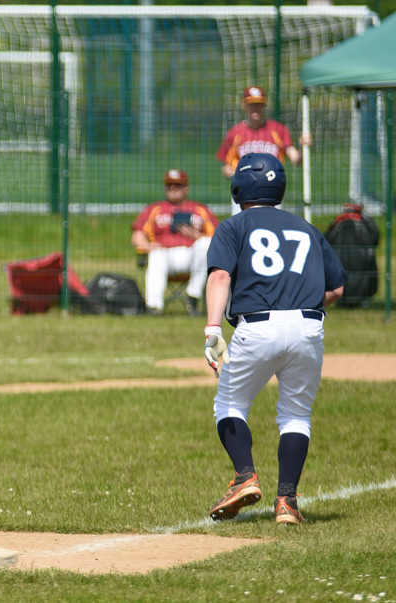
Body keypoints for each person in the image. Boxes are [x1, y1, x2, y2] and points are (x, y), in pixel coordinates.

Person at [204, 153, 345, 525]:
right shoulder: (306, 227)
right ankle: (287, 502)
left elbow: (220, 277)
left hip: (257, 325)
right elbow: (337, 289)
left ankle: (245, 475)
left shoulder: (234, 226)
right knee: (296, 414)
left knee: (230, 404)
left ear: (239, 187)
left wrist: (213, 329)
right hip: (309, 325)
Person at [131, 169, 218, 317]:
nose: (172, 188)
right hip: (164, 256)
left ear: (186, 188)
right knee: (156, 254)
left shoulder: (200, 209)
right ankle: (154, 307)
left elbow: (218, 238)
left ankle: (193, 295)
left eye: (177, 185)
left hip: (192, 256)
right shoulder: (154, 209)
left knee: (205, 242)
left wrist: (196, 235)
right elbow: (137, 236)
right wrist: (148, 246)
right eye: (169, 185)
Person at [216, 85, 312, 215]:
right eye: (251, 104)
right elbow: (226, 168)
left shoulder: (278, 129)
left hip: (271, 189)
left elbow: (296, 159)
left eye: (259, 104)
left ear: (264, 105)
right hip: (245, 192)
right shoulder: (235, 132)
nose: (255, 108)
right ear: (244, 105)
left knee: (272, 223)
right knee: (243, 225)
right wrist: (242, 179)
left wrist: (302, 147)